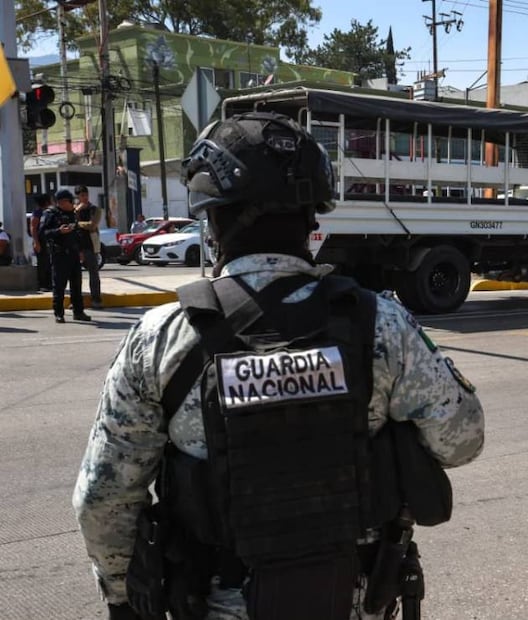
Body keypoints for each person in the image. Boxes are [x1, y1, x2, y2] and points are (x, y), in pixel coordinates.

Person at [73, 111, 485, 620]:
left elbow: (103, 499)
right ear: (312, 219)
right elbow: (462, 441)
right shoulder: (381, 325)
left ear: (213, 222)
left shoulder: (161, 338)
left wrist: (121, 598)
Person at [39, 189, 90, 323]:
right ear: (61, 202)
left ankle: (78, 312)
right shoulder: (50, 214)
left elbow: (78, 233)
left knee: (76, 285)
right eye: (70, 201)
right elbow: (43, 233)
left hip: (73, 254)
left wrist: (80, 251)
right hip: (59, 254)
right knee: (59, 285)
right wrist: (58, 231)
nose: (72, 204)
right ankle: (59, 313)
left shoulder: (73, 214)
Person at [74, 185, 104, 309]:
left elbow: (92, 225)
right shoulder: (74, 210)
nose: (85, 198)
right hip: (76, 245)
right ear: (77, 197)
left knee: (94, 274)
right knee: (75, 276)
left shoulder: (94, 209)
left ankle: (96, 299)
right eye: (82, 195)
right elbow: (69, 223)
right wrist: (76, 212)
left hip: (90, 245)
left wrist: (77, 224)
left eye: (86, 195)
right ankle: (76, 301)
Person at [30, 193, 53, 291]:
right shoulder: (37, 213)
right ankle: (43, 284)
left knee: (49, 263)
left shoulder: (49, 212)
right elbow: (33, 228)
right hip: (40, 241)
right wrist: (36, 242)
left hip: (48, 241)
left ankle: (50, 284)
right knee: (43, 264)